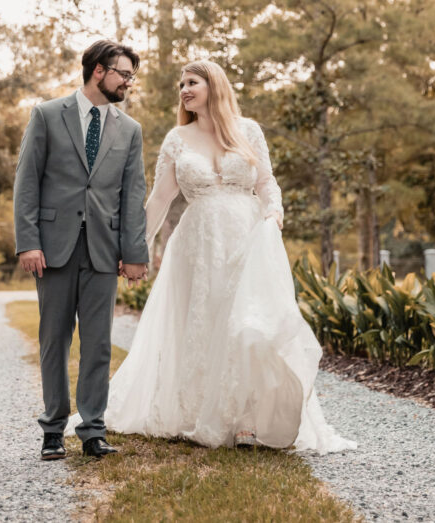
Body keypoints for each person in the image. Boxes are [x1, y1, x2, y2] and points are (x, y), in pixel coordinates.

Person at [104, 60, 356, 453]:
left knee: (247, 322)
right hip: (199, 243)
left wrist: (274, 213)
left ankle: (246, 420)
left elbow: (267, 183)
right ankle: (198, 411)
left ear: (213, 85)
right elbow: (159, 199)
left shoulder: (249, 130)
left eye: (192, 82)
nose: (184, 90)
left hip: (247, 237)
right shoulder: (177, 138)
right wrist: (134, 247)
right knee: (205, 321)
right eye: (181, 84)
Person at [13, 39, 150, 461]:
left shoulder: (130, 129)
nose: (129, 82)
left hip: (104, 251)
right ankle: (53, 429)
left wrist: (135, 252)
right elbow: (27, 182)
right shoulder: (48, 114)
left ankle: (92, 430)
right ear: (98, 71)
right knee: (54, 339)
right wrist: (29, 241)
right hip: (53, 248)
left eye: (131, 75)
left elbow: (133, 194)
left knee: (99, 343)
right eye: (123, 73)